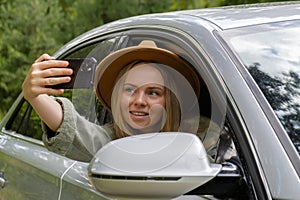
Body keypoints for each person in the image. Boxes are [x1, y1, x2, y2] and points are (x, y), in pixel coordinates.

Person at [22, 40, 223, 162]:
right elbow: (75, 129)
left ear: (170, 100)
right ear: (118, 97)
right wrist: (35, 96)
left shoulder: (204, 138)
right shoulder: (110, 142)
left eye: (153, 92)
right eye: (129, 90)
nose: (139, 101)